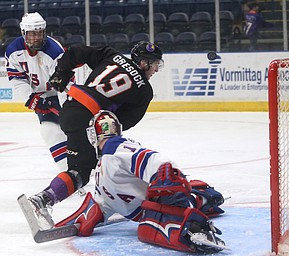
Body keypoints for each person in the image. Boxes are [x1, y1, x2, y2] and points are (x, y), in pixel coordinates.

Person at [27, 41, 164, 229]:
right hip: (87, 119)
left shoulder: (112, 55)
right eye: (155, 63)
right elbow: (122, 121)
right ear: (143, 63)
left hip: (70, 107)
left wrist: (62, 73)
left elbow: (76, 51)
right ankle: (42, 200)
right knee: (81, 172)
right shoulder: (145, 91)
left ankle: (105, 199)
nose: (156, 69)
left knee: (98, 160)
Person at [54, 110, 226, 253]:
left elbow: (153, 160)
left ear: (92, 135)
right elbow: (107, 199)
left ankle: (199, 209)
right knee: (148, 226)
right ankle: (201, 198)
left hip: (162, 202)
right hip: (151, 210)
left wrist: (163, 173)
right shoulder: (103, 163)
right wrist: (96, 212)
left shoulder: (116, 147)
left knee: (150, 228)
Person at [5, 12, 68, 170]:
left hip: (63, 93)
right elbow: (17, 79)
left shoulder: (54, 51)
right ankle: (69, 171)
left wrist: (68, 109)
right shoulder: (13, 51)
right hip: (41, 96)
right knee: (49, 131)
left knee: (75, 129)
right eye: (32, 34)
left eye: (39, 33)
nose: (36, 38)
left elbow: (64, 84)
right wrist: (30, 98)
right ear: (23, 33)